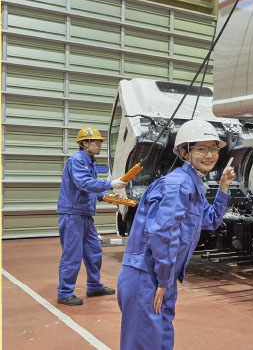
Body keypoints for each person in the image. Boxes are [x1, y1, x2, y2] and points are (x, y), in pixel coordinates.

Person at [117, 119, 236, 350]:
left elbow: (210, 221)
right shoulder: (177, 185)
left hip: (163, 275)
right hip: (147, 275)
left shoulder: (193, 186)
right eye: (201, 149)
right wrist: (163, 279)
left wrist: (223, 187)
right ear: (184, 152)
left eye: (213, 148)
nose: (210, 155)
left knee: (161, 341)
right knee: (144, 343)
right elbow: (163, 234)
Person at [57, 127, 129, 306]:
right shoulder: (77, 160)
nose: (99, 145)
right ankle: (65, 292)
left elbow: (88, 190)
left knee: (94, 252)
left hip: (85, 214)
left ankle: (94, 286)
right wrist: (110, 184)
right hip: (72, 214)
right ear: (84, 143)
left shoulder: (89, 162)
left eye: (99, 142)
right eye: (95, 142)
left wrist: (106, 197)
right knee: (72, 254)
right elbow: (84, 183)